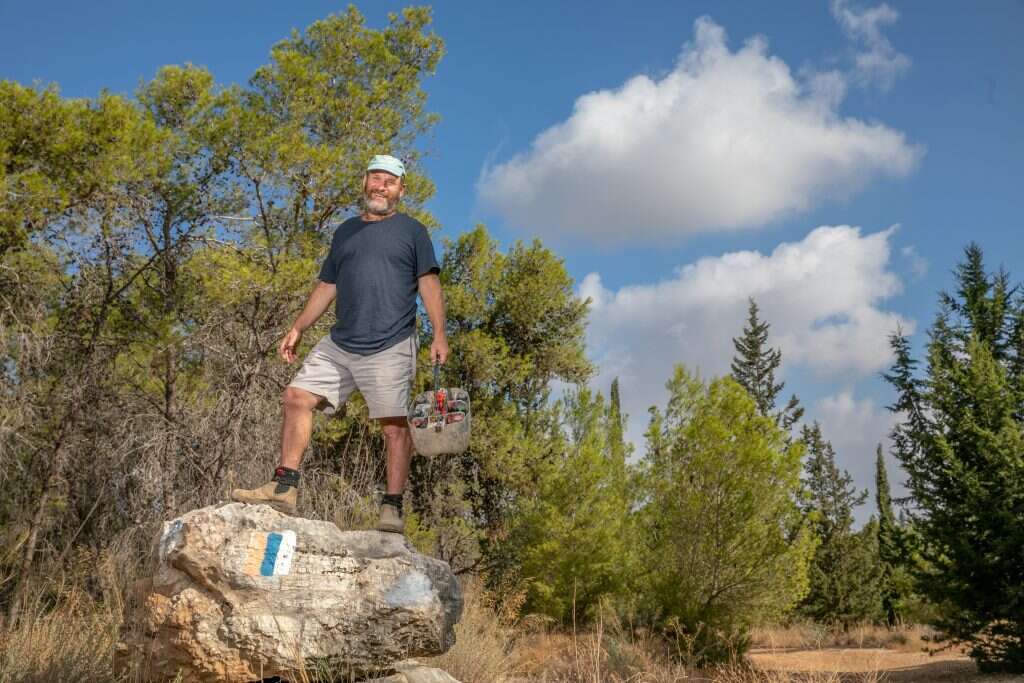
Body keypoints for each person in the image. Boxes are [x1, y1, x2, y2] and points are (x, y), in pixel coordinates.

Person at [232, 154, 447, 534]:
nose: (381, 187)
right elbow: (327, 285)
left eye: (389, 181)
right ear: (365, 182)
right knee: (296, 397)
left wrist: (440, 334)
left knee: (394, 426)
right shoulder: (345, 232)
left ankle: (392, 507)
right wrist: (298, 327)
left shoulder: (413, 232)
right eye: (375, 178)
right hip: (341, 342)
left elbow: (428, 283)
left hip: (391, 342)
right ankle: (284, 488)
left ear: (401, 190)